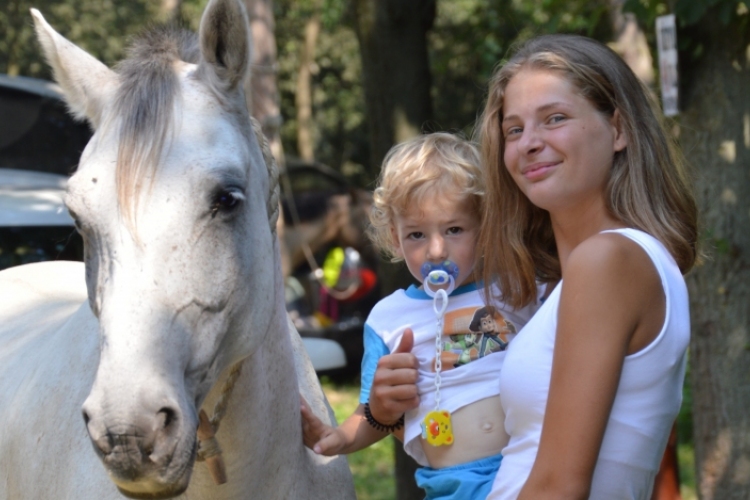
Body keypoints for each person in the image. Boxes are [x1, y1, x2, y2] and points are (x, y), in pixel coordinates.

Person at [367, 34, 698, 500]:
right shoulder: (582, 276)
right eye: (514, 129)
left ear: (618, 129)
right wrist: (392, 411)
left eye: (555, 119)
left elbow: (559, 487)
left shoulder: (609, 259)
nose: (530, 143)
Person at [300, 132, 539, 499]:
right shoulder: (388, 318)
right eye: (416, 235)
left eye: (454, 229)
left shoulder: (515, 289)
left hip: (529, 469)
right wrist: (339, 439)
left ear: (485, 226)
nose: (436, 249)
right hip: (451, 487)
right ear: (395, 239)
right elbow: (375, 414)